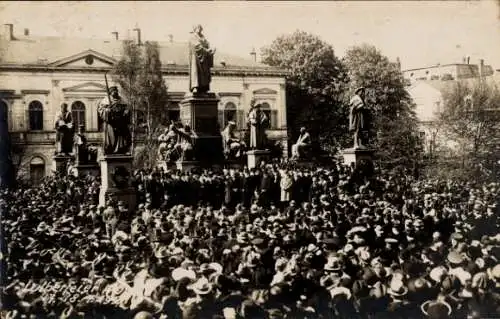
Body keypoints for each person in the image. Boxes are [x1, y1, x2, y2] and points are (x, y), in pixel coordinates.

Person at [98, 86, 132, 154]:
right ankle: (111, 150)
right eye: (113, 91)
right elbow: (101, 111)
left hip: (121, 123)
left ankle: (121, 149)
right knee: (111, 139)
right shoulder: (105, 100)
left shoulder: (122, 100)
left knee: (123, 138)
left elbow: (127, 109)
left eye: (116, 91)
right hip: (111, 123)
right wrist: (107, 111)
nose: (115, 92)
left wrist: (126, 112)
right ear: (110, 92)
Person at [189, 25, 216, 94]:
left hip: (204, 59)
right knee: (196, 72)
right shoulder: (193, 37)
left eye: (200, 28)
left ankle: (204, 87)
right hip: (196, 58)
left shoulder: (203, 37)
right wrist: (207, 51)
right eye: (198, 27)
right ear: (195, 29)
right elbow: (197, 46)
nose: (199, 29)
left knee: (205, 73)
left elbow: (207, 44)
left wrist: (211, 51)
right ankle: (195, 86)